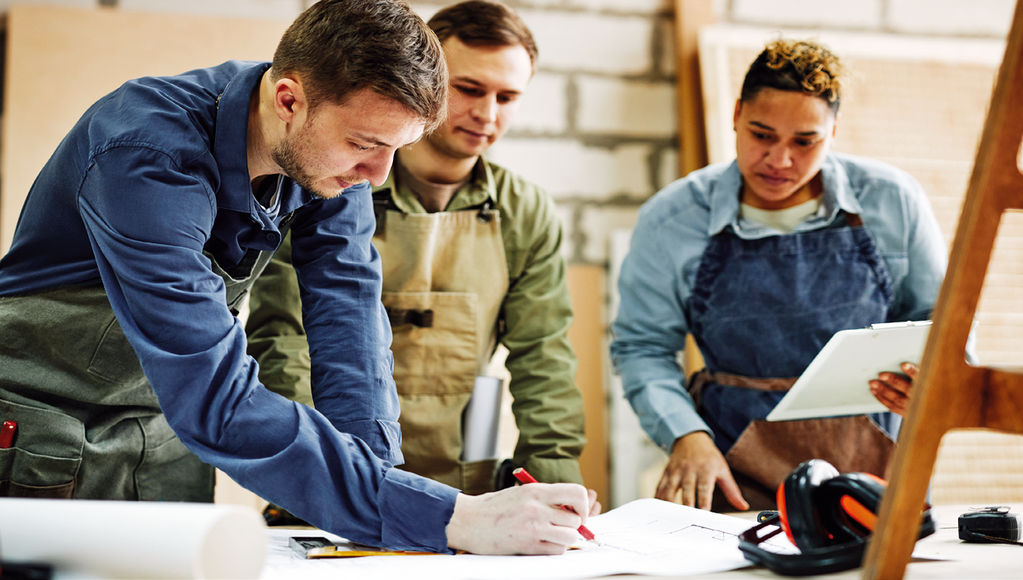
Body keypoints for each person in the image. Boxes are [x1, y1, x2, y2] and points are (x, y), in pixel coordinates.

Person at [0, 0, 595, 555]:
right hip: (46, 435)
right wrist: (449, 518)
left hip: (163, 436)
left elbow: (351, 322)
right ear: (289, 100)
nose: (378, 175)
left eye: (396, 149)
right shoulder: (146, 156)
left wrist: (379, 486)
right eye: (365, 144)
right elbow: (215, 397)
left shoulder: (334, 161)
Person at [246, 0, 588, 498]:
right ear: (422, 81)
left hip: (465, 479)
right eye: (468, 89)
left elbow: (544, 360)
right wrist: (308, 480)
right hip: (338, 474)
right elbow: (286, 341)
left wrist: (554, 486)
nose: (487, 114)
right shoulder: (328, 182)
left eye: (508, 97)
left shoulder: (524, 212)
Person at [610, 38, 948, 512]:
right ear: (735, 114)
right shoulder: (674, 218)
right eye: (762, 134)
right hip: (731, 472)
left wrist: (933, 381)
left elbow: (942, 322)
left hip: (876, 469)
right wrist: (685, 436)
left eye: (805, 142)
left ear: (834, 132)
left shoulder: (893, 200)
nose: (780, 160)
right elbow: (642, 347)